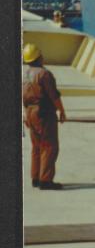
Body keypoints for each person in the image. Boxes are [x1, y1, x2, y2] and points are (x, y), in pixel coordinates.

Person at [22, 43, 66, 190]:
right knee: (49, 146)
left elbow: (24, 97)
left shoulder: (25, 74)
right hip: (44, 114)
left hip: (30, 113)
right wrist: (62, 111)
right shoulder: (44, 74)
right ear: (39, 57)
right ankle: (46, 181)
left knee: (36, 146)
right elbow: (54, 96)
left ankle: (35, 178)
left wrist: (25, 115)